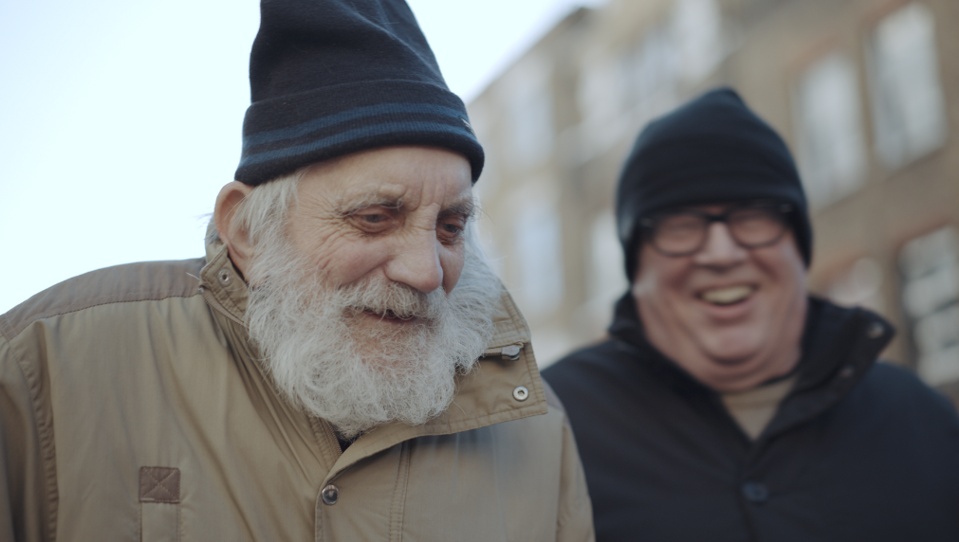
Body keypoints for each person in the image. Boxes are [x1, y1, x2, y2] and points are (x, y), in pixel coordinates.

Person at [0, 1, 593, 540]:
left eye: (451, 227)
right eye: (374, 217)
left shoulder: (534, 430)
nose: (426, 271)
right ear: (249, 231)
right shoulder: (44, 366)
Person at [543, 88, 959, 541]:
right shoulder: (548, 431)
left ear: (798, 246)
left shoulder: (920, 421)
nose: (722, 253)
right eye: (681, 226)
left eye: (754, 218)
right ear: (636, 264)